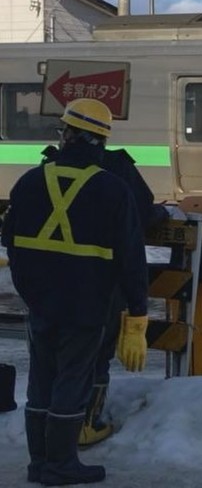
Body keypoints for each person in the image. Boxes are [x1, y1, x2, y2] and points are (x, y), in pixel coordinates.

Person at [1, 97, 150, 485]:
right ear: (100, 142)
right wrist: (137, 312)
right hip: (87, 306)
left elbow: (10, 241)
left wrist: (30, 289)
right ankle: (62, 464)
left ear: (67, 135)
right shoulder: (113, 190)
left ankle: (39, 464)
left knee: (40, 382)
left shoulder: (30, 181)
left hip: (41, 304)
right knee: (72, 380)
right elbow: (132, 258)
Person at [39, 102, 168, 447]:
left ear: (70, 134)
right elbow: (141, 218)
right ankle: (85, 424)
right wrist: (138, 310)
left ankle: (48, 438)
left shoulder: (48, 168)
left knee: (53, 362)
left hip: (49, 288)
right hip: (99, 287)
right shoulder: (117, 171)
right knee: (94, 359)